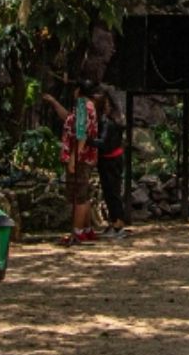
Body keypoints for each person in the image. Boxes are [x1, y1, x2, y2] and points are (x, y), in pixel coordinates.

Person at [41, 80, 99, 246]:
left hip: (80, 157)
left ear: (78, 91)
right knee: (84, 192)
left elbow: (81, 134)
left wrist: (74, 157)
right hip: (87, 156)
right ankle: (86, 229)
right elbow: (69, 120)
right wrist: (53, 102)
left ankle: (77, 232)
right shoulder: (88, 106)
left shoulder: (82, 105)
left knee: (78, 194)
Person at [91, 89, 129, 238]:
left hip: (110, 160)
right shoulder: (113, 121)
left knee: (113, 192)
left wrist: (87, 141)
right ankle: (114, 221)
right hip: (110, 159)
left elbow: (103, 143)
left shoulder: (109, 123)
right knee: (110, 192)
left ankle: (118, 223)